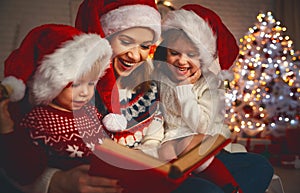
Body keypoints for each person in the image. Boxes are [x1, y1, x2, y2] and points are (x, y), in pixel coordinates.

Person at [153, 4, 274, 193]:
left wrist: (184, 89)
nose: (182, 61)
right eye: (174, 53)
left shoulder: (209, 86)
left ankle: (228, 187)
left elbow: (201, 127)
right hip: (172, 153)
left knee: (261, 165)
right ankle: (226, 187)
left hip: (204, 150)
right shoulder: (158, 77)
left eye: (191, 55)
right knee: (207, 188)